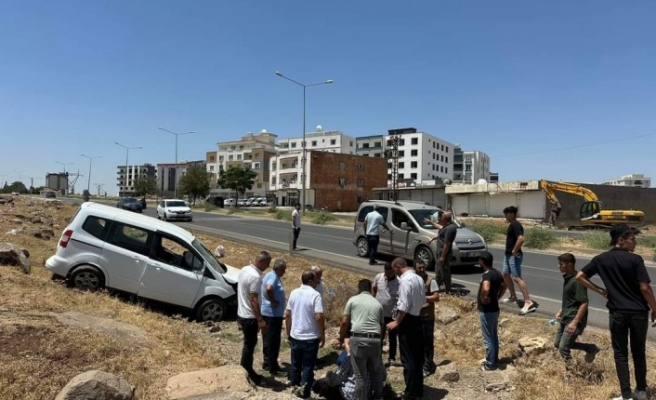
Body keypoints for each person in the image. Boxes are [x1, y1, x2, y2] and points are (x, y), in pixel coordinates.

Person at [576, 226, 656, 400]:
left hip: (617, 313)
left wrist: (600, 290)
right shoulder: (635, 260)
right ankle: (641, 391)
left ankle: (626, 395)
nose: (635, 242)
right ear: (621, 240)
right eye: (632, 239)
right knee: (638, 351)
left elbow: (580, 276)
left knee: (620, 353)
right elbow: (645, 288)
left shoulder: (600, 259)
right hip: (638, 313)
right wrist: (655, 308)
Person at [386, 257, 426, 400]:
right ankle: (418, 390)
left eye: (394, 268)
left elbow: (404, 305)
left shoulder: (404, 281)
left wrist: (396, 321)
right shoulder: (418, 279)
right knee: (417, 357)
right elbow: (422, 300)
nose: (394, 271)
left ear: (397, 267)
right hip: (417, 318)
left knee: (407, 358)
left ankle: (409, 392)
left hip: (407, 320)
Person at [339, 279, 385, 400]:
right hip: (375, 340)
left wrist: (341, 337)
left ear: (359, 289)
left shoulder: (353, 300)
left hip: (358, 339)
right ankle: (379, 397)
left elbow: (344, 322)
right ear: (370, 289)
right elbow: (381, 326)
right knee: (376, 371)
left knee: (360, 375)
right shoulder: (377, 303)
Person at [286, 270, 326, 399]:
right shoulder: (315, 295)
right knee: (308, 366)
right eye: (316, 280)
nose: (318, 282)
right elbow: (319, 317)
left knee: (296, 364)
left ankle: (295, 387)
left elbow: (288, 314)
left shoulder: (293, 293)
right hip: (310, 337)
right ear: (310, 281)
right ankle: (305, 392)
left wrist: (288, 332)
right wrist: (322, 335)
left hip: (296, 335)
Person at [553, 253, 599, 362]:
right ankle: (591, 348)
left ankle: (572, 371)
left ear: (569, 265)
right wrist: (561, 310)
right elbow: (570, 299)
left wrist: (575, 322)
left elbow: (584, 303)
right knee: (557, 343)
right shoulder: (568, 278)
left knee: (563, 347)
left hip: (573, 318)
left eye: (561, 264)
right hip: (565, 316)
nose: (558, 266)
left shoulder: (577, 281)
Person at [312, 337, 388, 400]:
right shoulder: (377, 359)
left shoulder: (352, 357)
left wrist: (328, 378)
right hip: (366, 396)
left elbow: (337, 378)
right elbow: (383, 376)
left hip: (348, 395)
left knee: (331, 384)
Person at [237, 250, 272, 385]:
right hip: (250, 316)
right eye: (267, 263)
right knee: (249, 345)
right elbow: (253, 300)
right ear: (261, 261)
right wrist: (260, 320)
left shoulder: (245, 269)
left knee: (248, 344)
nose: (268, 266)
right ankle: (247, 371)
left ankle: (245, 369)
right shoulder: (255, 277)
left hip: (242, 313)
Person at [501, 206, 535, 315]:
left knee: (517, 278)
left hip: (513, 256)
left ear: (511, 214)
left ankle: (528, 302)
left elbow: (521, 238)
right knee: (506, 274)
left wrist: (514, 251)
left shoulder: (515, 224)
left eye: (506, 214)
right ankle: (513, 296)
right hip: (508, 255)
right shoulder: (512, 224)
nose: (505, 217)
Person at [477, 251, 506, 371]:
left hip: (487, 311)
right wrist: (497, 297)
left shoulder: (487, 275)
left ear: (482, 262)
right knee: (494, 336)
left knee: (488, 338)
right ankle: (495, 359)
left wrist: (483, 297)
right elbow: (504, 285)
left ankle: (490, 364)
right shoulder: (497, 273)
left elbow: (486, 288)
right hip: (495, 309)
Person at [261, 259, 287, 376]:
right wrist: (273, 300)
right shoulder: (273, 277)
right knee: (273, 341)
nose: (284, 272)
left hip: (270, 313)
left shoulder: (270, 275)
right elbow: (269, 288)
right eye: (282, 269)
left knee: (267, 339)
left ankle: (267, 363)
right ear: (276, 268)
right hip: (272, 314)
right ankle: (273, 367)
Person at [414, 259, 440, 377]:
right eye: (419, 268)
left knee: (427, 343)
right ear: (414, 268)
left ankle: (427, 365)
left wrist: (423, 297)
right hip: (415, 316)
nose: (422, 270)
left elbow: (436, 297)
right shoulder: (413, 280)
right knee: (417, 343)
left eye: (423, 267)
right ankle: (419, 364)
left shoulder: (431, 281)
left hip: (427, 317)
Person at [373, 262, 400, 367]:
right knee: (379, 335)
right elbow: (374, 288)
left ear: (394, 271)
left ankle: (392, 358)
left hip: (392, 314)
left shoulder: (399, 282)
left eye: (390, 273)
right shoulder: (379, 277)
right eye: (387, 273)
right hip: (379, 313)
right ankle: (377, 356)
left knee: (392, 336)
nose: (388, 275)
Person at [427, 212, 457, 293]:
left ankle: (448, 290)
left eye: (441, 218)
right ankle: (436, 288)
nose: (439, 220)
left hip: (444, 254)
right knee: (438, 270)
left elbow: (447, 244)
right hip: (440, 253)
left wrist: (443, 256)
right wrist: (433, 239)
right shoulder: (446, 227)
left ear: (445, 219)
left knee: (445, 272)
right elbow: (441, 234)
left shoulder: (450, 228)